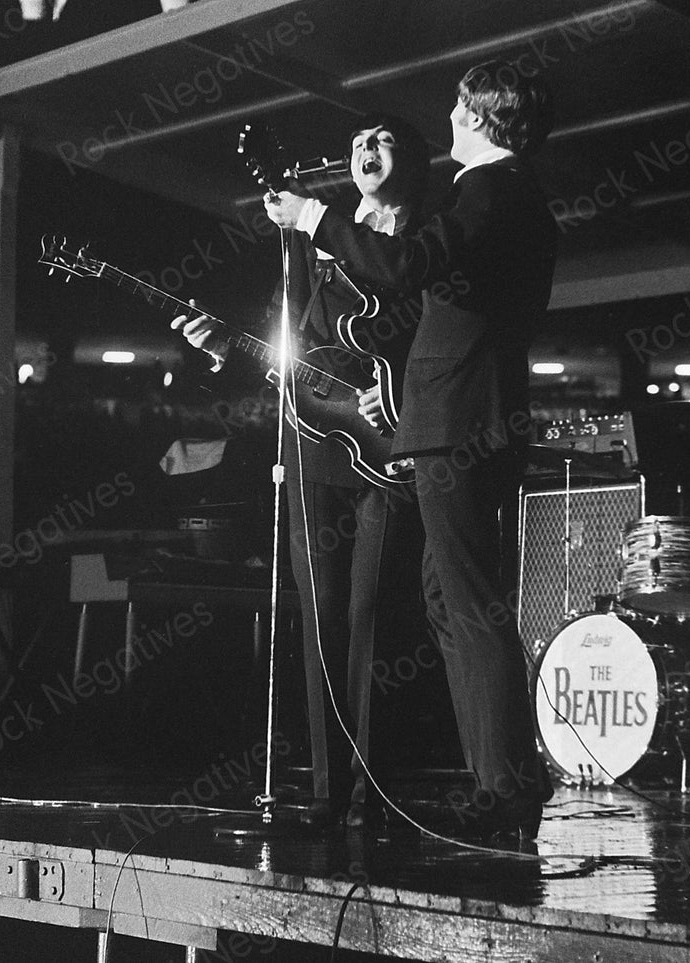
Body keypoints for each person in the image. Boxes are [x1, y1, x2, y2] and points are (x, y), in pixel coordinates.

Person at [264, 62, 558, 841]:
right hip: (458, 420)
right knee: (447, 601)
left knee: (467, 602)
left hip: (460, 422)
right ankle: (495, 784)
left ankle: (507, 791)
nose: (451, 116)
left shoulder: (489, 192)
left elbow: (402, 267)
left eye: (461, 105)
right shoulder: (507, 196)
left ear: (483, 116)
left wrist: (314, 220)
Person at [181, 115, 430, 830]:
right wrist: (225, 346)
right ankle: (327, 791)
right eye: (356, 141)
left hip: (387, 447)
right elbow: (291, 346)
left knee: (370, 616)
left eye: (384, 139)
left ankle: (373, 787)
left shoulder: (418, 244)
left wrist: (405, 387)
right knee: (320, 618)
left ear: (410, 162)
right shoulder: (315, 252)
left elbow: (443, 338)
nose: (364, 149)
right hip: (313, 445)